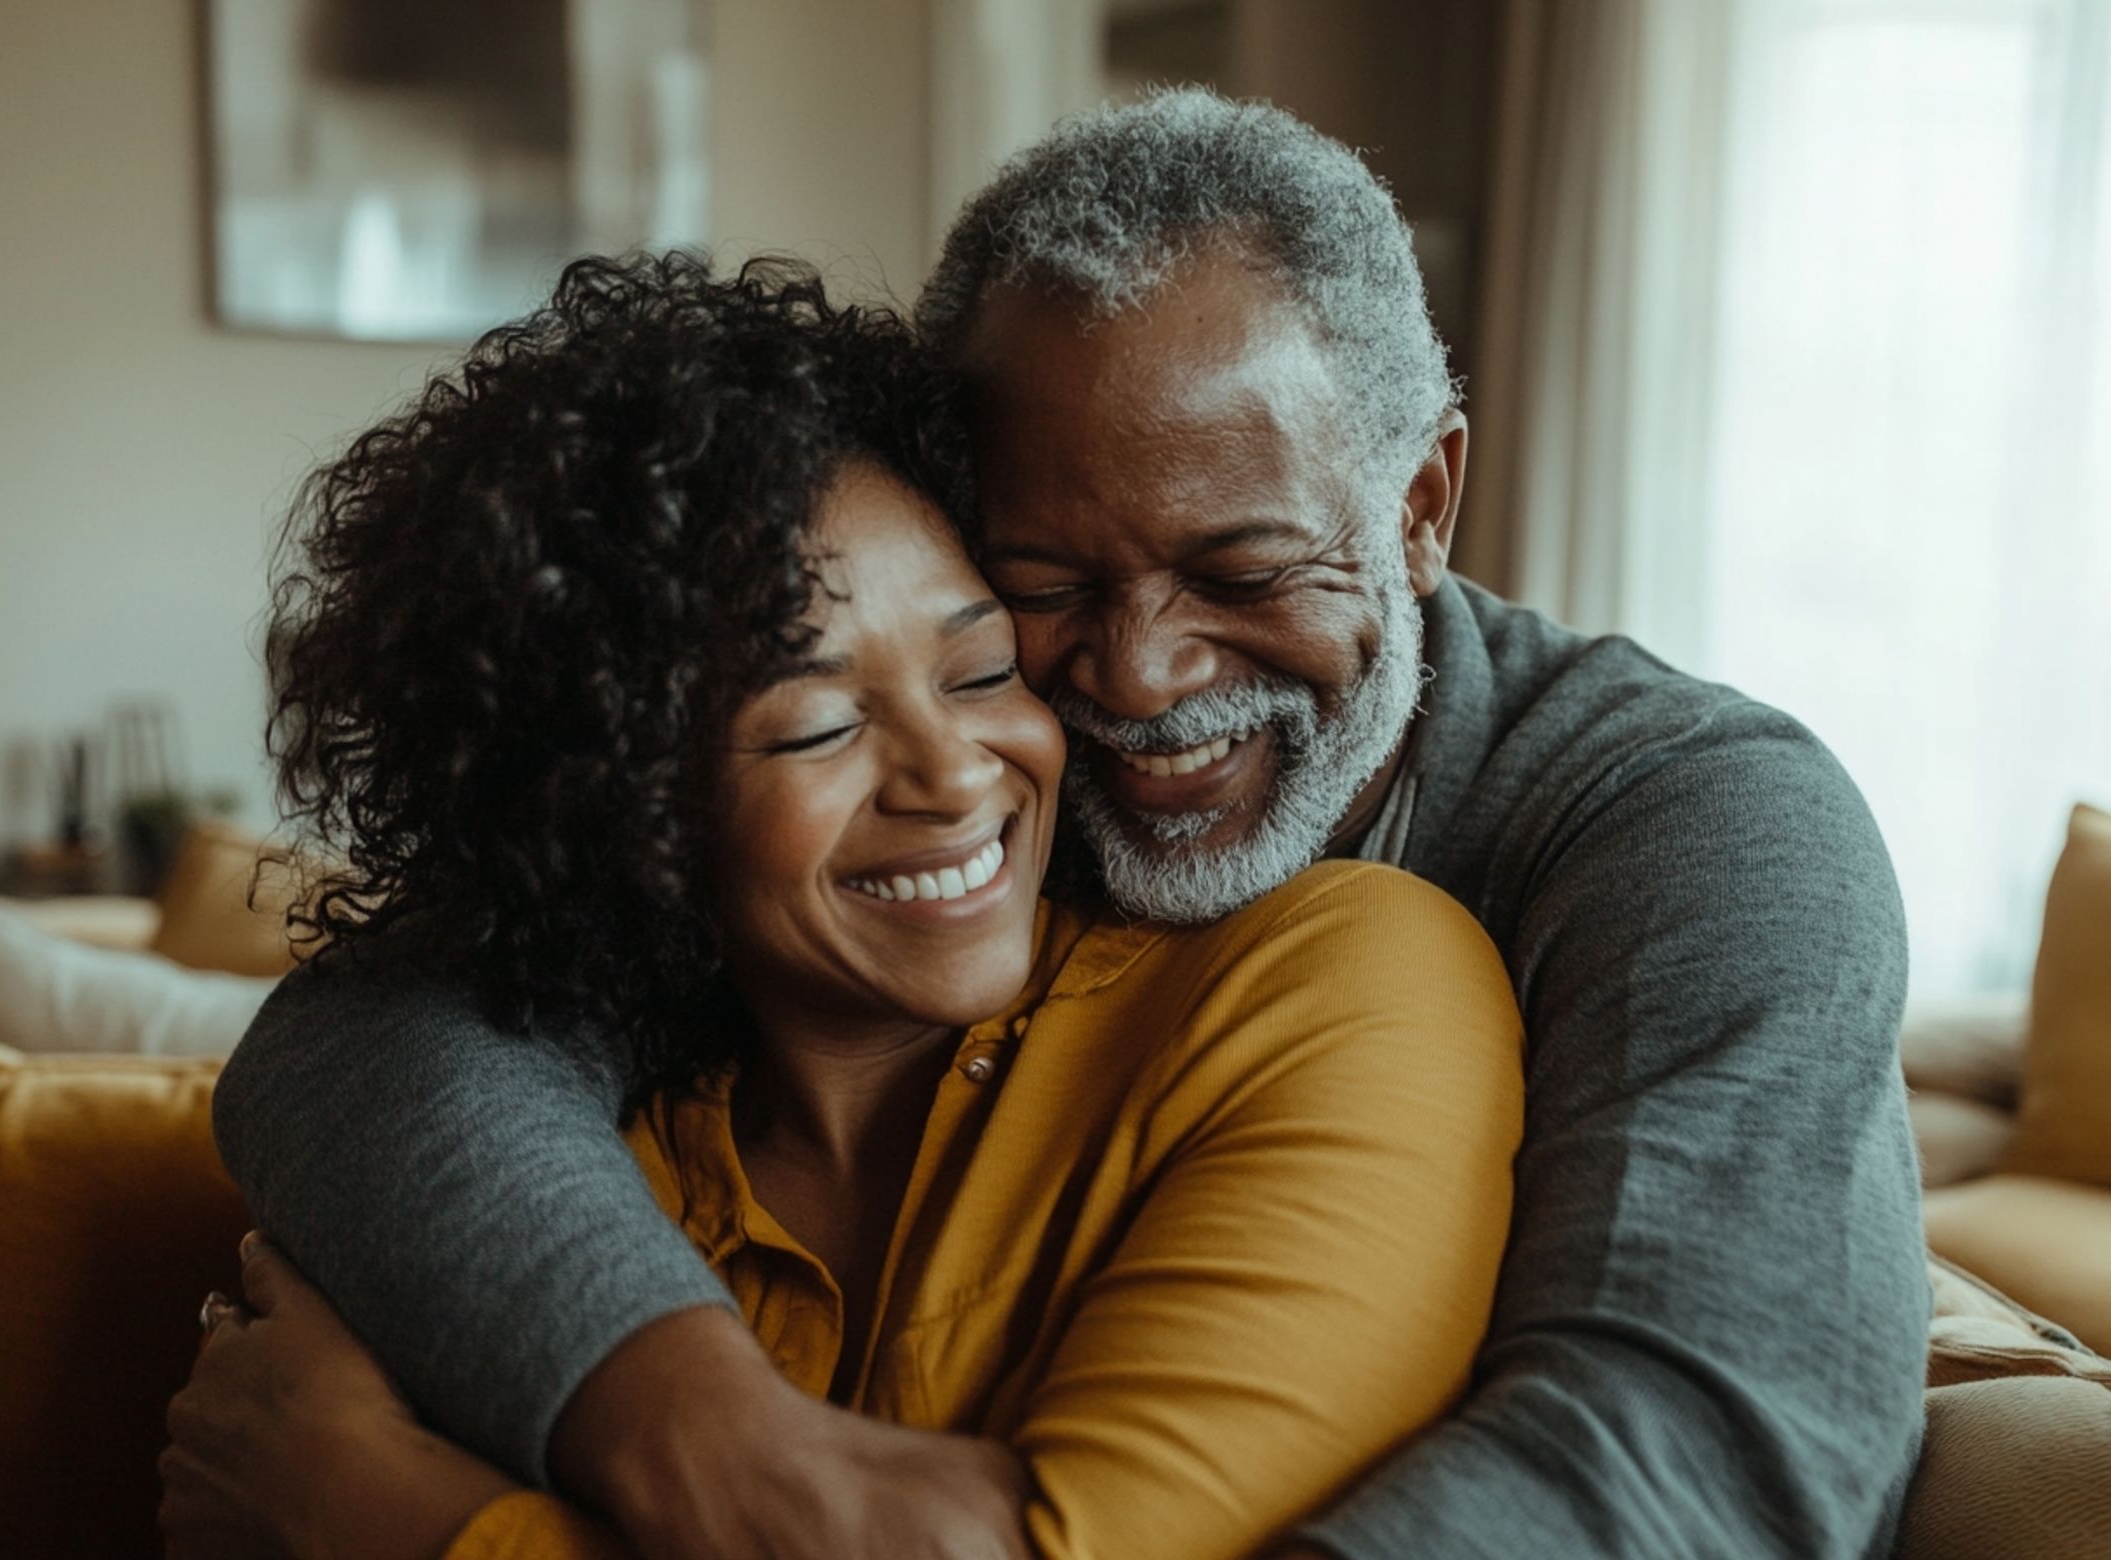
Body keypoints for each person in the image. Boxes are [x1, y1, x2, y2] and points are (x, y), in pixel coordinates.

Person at [205, 90, 1933, 1559]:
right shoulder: (981, 778)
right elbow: (372, 1032)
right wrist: (703, 1424)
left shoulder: (1693, 825)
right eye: (1042, 585)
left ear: (1421, 507)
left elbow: (1700, 1451)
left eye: (1244, 570)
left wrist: (440, 1528)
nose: (1142, 675)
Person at [161, 250, 1525, 1560]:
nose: (950, 772)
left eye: (985, 670)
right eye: (815, 728)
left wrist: (409, 1525)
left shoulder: (1332, 989)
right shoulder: (536, 1191)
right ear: (627, 805)